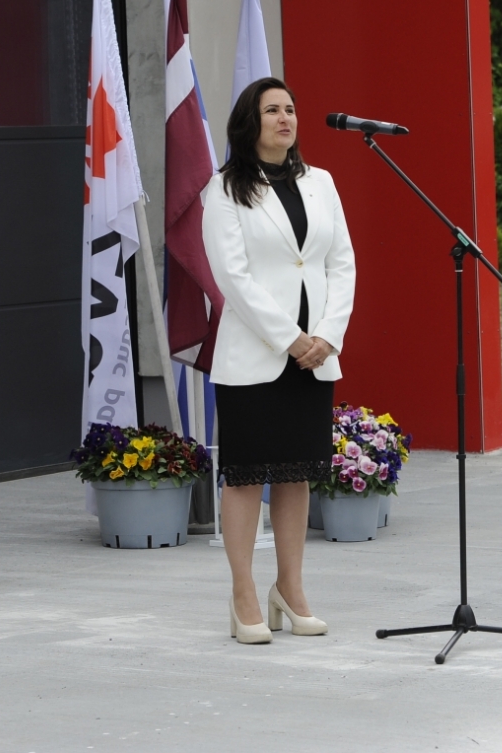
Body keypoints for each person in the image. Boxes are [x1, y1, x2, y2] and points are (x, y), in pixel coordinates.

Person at [202, 77, 356, 643]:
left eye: (290, 109)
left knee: (296, 474)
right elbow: (232, 279)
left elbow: (342, 263)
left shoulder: (322, 183)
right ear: (250, 122)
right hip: (256, 358)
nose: (285, 118)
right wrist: (291, 339)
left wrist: (327, 336)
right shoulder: (224, 191)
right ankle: (243, 592)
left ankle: (289, 589)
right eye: (272, 110)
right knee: (246, 477)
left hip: (315, 357)